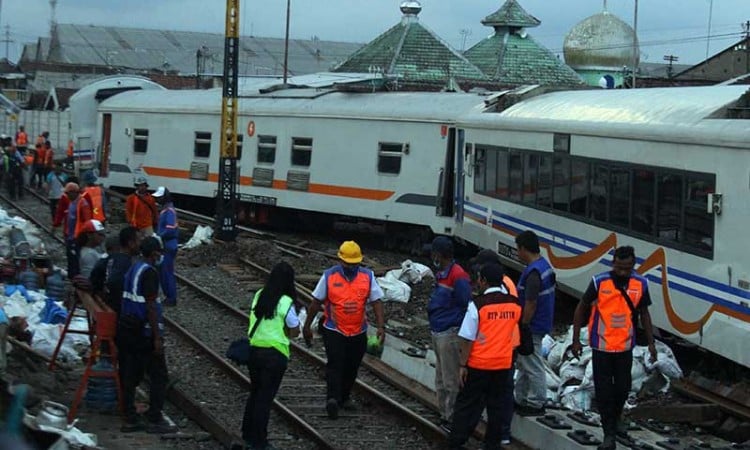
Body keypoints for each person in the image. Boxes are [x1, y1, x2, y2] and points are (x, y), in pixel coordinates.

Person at [571, 246, 658, 450]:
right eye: (619, 268)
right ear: (613, 264)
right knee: (603, 392)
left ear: (633, 266)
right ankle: (608, 433)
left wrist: (651, 343)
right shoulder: (599, 282)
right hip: (601, 346)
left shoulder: (640, 284)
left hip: (625, 347)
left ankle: (616, 419)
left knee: (622, 388)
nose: (622, 273)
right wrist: (576, 339)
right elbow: (581, 307)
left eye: (627, 269)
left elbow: (644, 313)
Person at [302, 240, 385, 419]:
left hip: (358, 331)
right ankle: (332, 398)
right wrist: (307, 325)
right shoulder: (329, 276)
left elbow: (377, 301)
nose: (351, 267)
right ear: (340, 261)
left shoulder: (368, 277)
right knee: (335, 363)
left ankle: (344, 397)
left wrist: (380, 326)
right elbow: (316, 302)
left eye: (354, 264)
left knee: (352, 366)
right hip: (334, 330)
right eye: (348, 263)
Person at [449, 263, 521, 449]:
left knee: (467, 406)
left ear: (484, 281)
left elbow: (467, 338)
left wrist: (463, 365)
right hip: (503, 365)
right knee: (496, 409)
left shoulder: (478, 305)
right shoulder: (514, 304)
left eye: (479, 279)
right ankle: (492, 445)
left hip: (478, 365)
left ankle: (456, 441)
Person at [119, 237, 176, 434]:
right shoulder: (150, 272)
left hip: (129, 327)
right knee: (159, 375)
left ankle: (130, 416)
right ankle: (154, 417)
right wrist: (157, 337)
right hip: (143, 331)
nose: (160, 256)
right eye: (159, 253)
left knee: (132, 373)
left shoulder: (134, 267)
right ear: (153, 254)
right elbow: (151, 305)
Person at [241, 262, 300, 450]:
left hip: (255, 351)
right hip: (275, 355)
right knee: (265, 399)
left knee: (255, 393)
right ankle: (259, 441)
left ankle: (247, 433)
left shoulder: (260, 295)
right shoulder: (286, 302)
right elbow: (294, 330)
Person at [427, 236, 472, 432]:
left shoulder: (458, 276)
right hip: (439, 331)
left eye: (433, 253)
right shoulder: (443, 273)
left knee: (450, 379)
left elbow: (465, 304)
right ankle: (444, 414)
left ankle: (451, 419)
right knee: (441, 378)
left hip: (449, 333)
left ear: (439, 254)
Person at [514, 231, 556, 416]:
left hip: (532, 325)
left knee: (532, 364)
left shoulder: (533, 273)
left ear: (523, 248)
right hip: (540, 322)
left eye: (518, 249)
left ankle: (537, 402)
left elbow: (530, 303)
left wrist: (523, 325)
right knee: (524, 363)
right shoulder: (544, 267)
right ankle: (520, 398)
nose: (517, 253)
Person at [90, 227, 138, 315]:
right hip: (116, 310)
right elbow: (114, 282)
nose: (140, 244)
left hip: (105, 303)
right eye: (138, 241)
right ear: (131, 243)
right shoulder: (123, 262)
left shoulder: (111, 259)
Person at [52, 183, 93, 278]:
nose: (66, 195)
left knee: (76, 259)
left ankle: (76, 276)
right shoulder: (72, 202)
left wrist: (84, 236)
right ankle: (71, 275)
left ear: (74, 192)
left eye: (68, 193)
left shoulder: (82, 203)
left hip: (77, 236)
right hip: (70, 235)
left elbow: (87, 222)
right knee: (71, 257)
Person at [152, 187, 177, 306]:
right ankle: (169, 297)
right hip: (167, 244)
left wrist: (159, 236)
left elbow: (170, 230)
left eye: (159, 197)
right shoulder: (167, 209)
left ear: (165, 197)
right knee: (165, 272)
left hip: (168, 244)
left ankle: (171, 298)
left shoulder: (169, 211)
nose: (157, 199)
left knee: (166, 272)